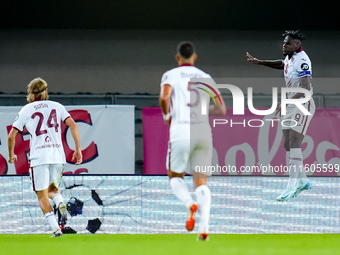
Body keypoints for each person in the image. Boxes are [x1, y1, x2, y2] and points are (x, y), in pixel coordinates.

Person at [159, 41, 226, 240]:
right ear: (194, 57)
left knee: (175, 176)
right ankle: (204, 226)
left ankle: (190, 204)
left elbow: (164, 98)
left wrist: (166, 116)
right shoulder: (205, 77)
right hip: (203, 131)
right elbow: (221, 109)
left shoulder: (170, 75)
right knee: (201, 182)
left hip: (180, 130)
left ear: (178, 57)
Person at [8, 78, 83, 237]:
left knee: (42, 195)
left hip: (39, 157)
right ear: (45, 91)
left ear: (30, 93)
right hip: (57, 155)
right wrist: (77, 149)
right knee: (52, 190)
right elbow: (73, 125)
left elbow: (11, 136)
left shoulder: (26, 110)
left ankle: (56, 229)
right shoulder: (57, 106)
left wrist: (12, 154)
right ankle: (60, 202)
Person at [246, 30, 314, 202]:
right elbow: (281, 64)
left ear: (297, 45)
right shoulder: (290, 57)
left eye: (288, 43)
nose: (284, 45)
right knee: (287, 144)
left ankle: (291, 186)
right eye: (284, 42)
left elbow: (305, 89)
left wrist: (286, 102)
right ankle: (303, 180)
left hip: (302, 103)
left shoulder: (303, 60)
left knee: (294, 142)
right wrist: (259, 62)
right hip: (291, 102)